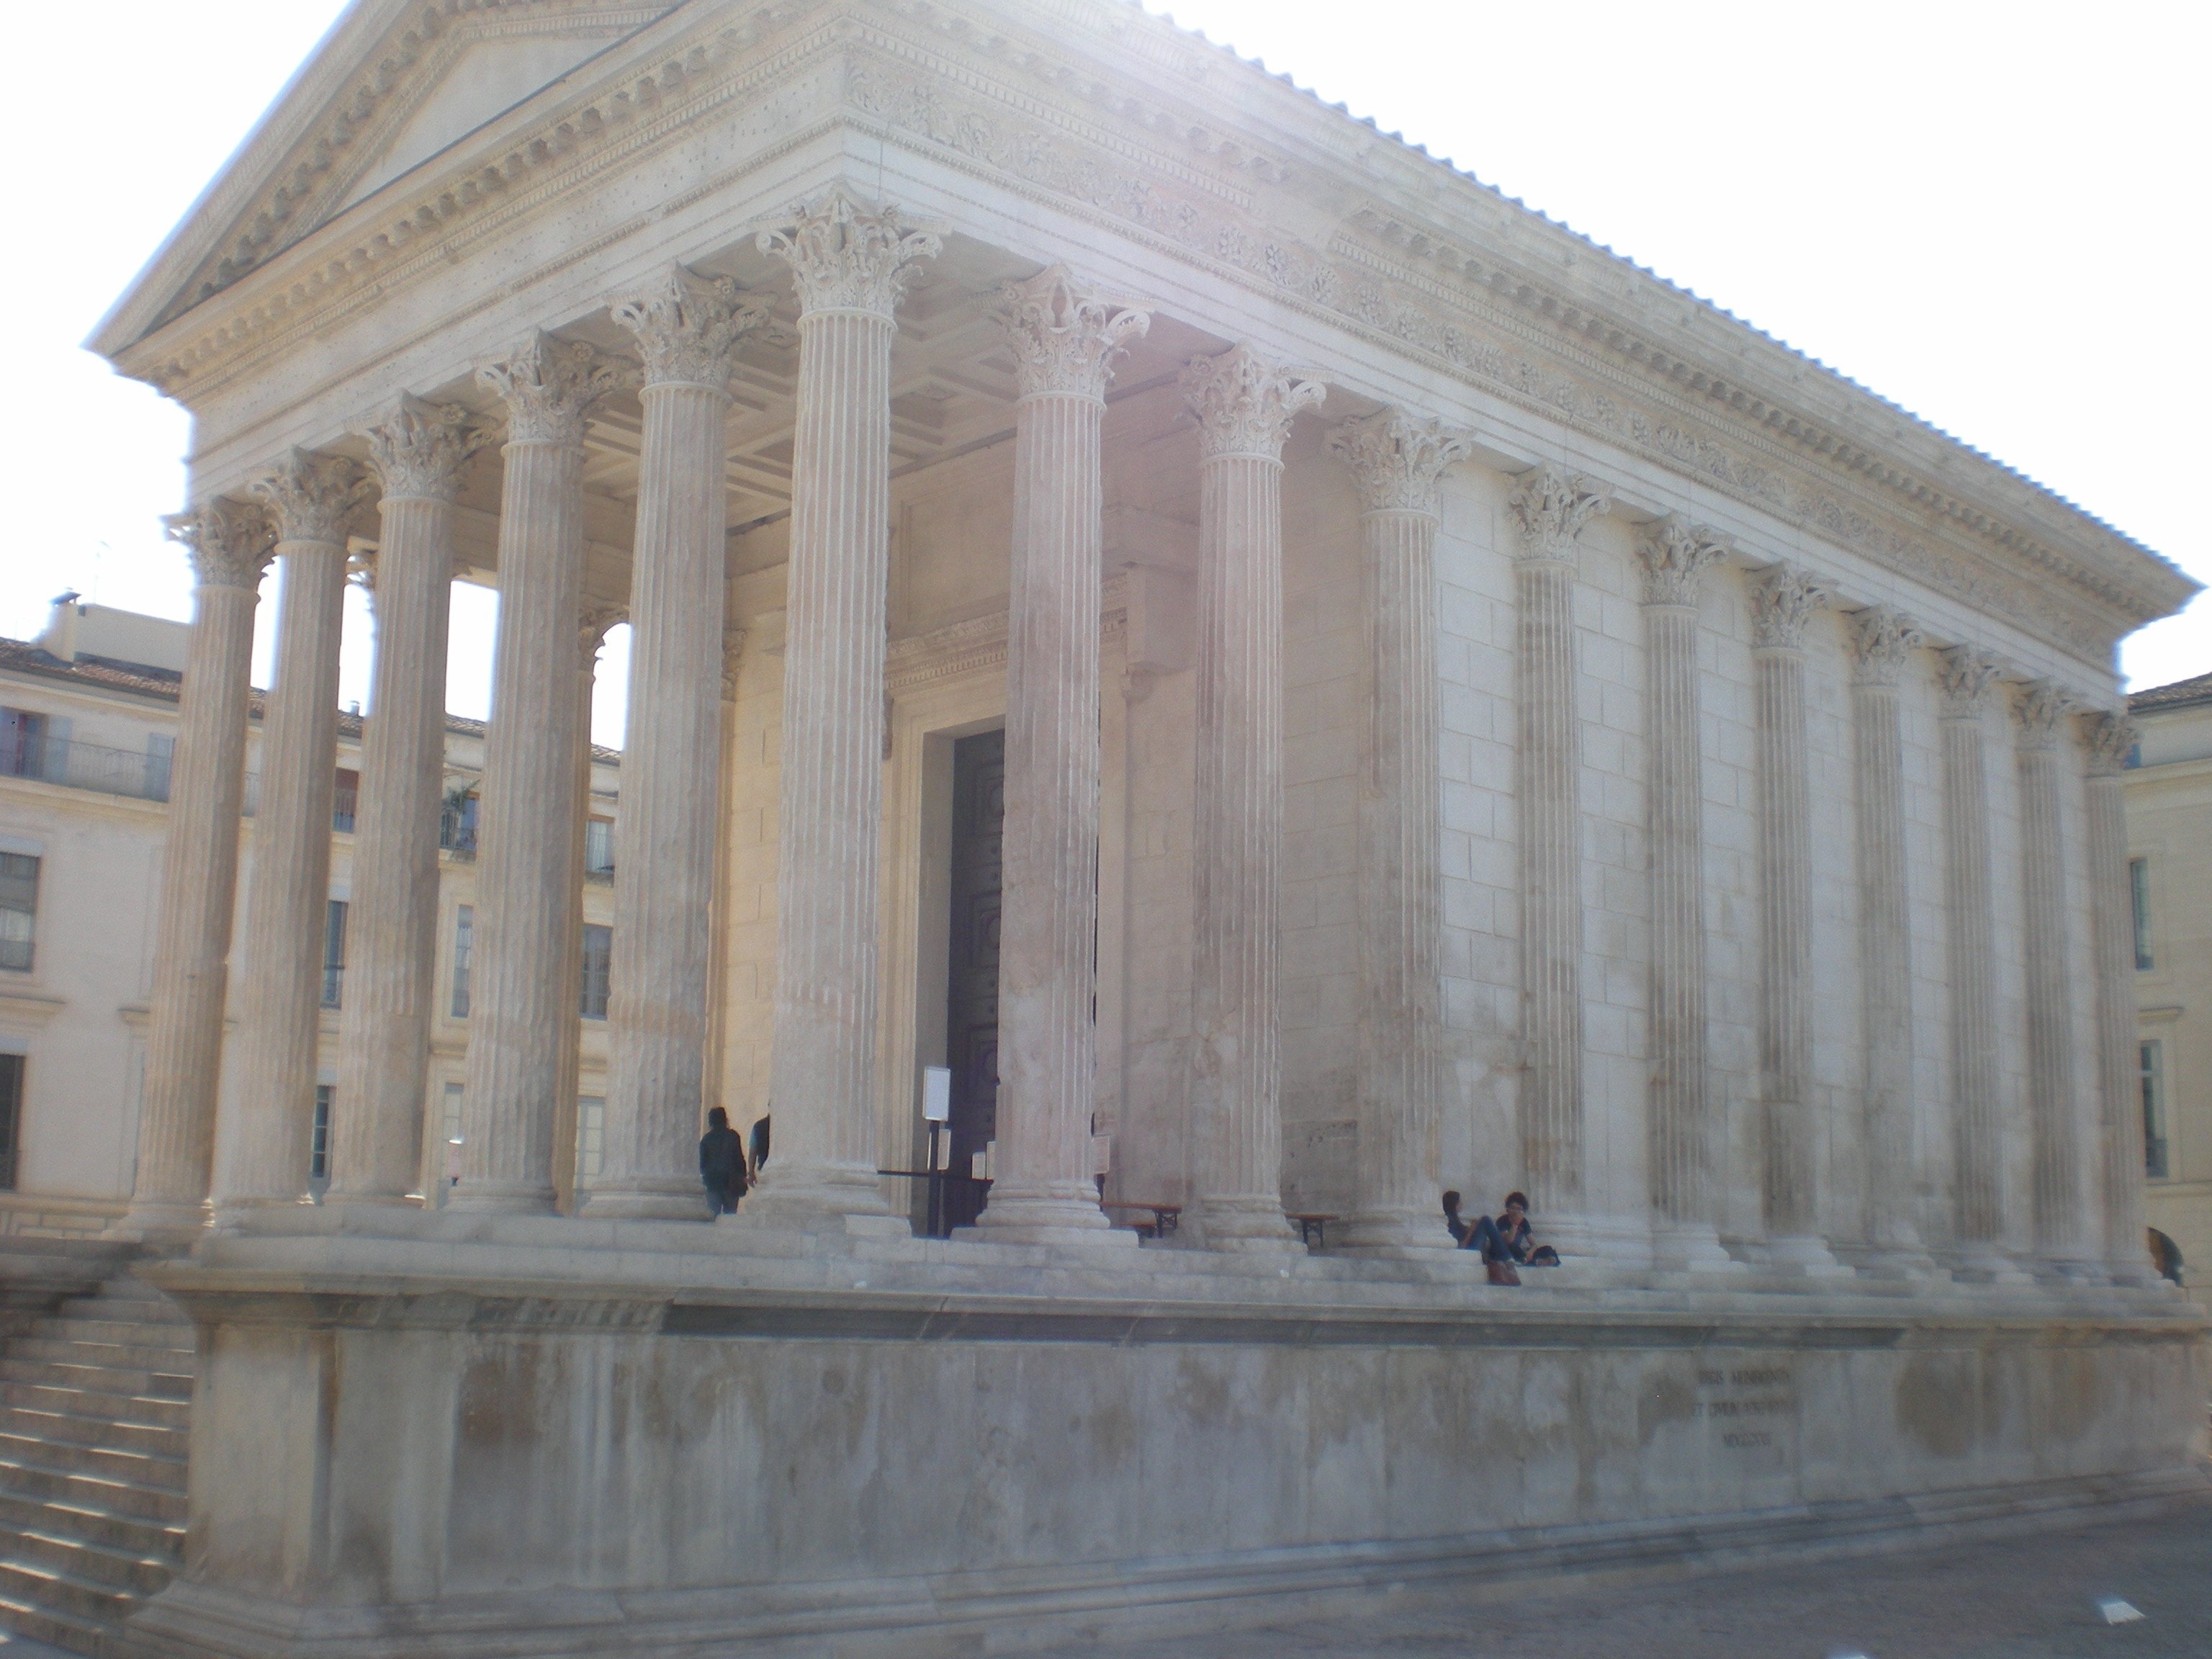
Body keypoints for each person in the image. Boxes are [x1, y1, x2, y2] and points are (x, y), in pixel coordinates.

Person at [1493, 1191, 1560, 1267]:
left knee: (1548, 1249)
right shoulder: (1502, 1221)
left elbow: (1533, 1244)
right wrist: (1515, 1224)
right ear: (1507, 1209)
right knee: (1513, 1248)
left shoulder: (1524, 1222)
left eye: (1519, 1209)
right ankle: (1534, 1262)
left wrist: (1531, 1252)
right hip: (1505, 1250)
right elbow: (1509, 1241)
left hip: (1519, 1252)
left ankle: (1547, 1260)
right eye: (1512, 1208)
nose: (1515, 1212)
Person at [699, 1107, 745, 1215]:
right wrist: (743, 1175)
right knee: (730, 1214)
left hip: (712, 1182)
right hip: (731, 1181)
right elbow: (739, 1158)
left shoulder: (706, 1139)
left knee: (713, 1214)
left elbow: (702, 1164)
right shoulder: (733, 1136)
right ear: (725, 1119)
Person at [1443, 1190, 1509, 1263]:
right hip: (1466, 1252)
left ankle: (1500, 1257)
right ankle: (1505, 1257)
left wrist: (1472, 1227)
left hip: (1470, 1247)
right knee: (1485, 1220)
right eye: (1459, 1201)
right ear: (1454, 1204)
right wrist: (1471, 1230)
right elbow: (1461, 1246)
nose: (1461, 1204)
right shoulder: (1450, 1221)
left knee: (1486, 1226)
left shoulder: (1455, 1219)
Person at [749, 1112, 772, 1181]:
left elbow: (752, 1152)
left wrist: (751, 1172)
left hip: (763, 1168)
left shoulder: (758, 1126)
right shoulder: (785, 1126)